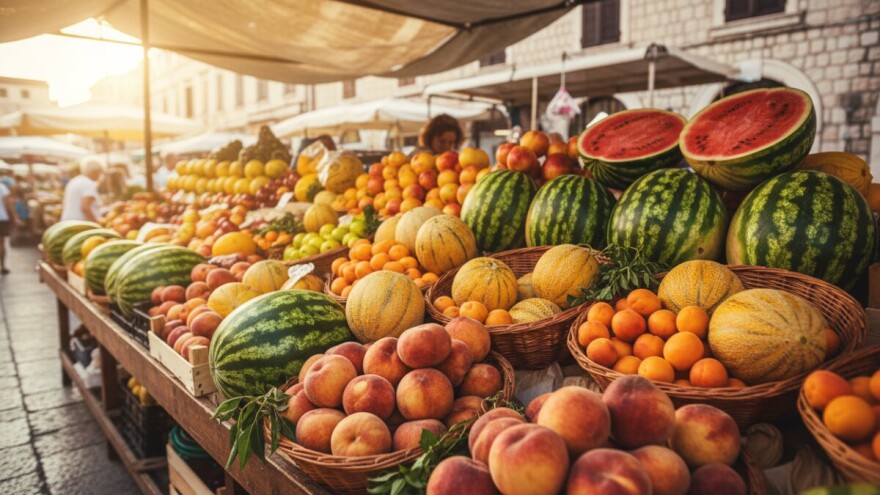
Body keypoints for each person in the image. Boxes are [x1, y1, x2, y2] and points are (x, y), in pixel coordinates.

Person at [0, 180, 23, 275]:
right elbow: (8, 204)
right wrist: (15, 218)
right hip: (1, 218)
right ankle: (3, 266)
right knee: (1, 242)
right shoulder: (2, 187)